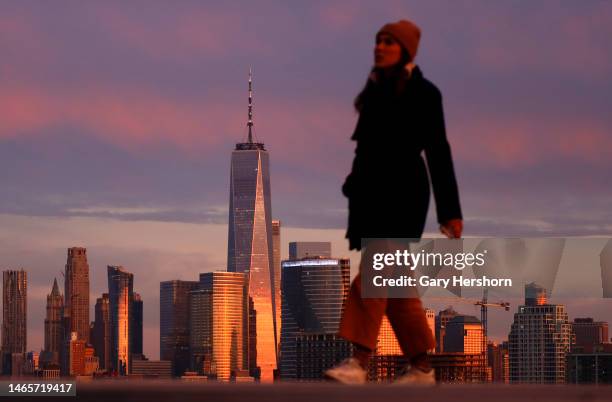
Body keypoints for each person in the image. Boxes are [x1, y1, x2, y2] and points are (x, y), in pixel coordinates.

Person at [325, 19, 463, 385]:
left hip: (403, 196)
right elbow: (366, 149)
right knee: (397, 285)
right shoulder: (374, 92)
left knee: (373, 273)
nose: (379, 47)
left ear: (405, 49)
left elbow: (438, 150)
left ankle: (359, 361)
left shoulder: (425, 93)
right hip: (371, 197)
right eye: (378, 41)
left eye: (388, 42)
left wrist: (450, 211)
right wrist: (353, 185)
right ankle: (421, 366)